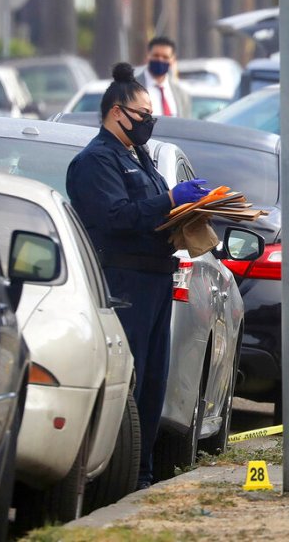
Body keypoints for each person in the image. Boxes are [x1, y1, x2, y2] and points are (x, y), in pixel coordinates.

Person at [66, 63, 210, 489]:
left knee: (151, 386)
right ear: (116, 112)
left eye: (152, 115)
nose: (149, 122)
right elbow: (115, 218)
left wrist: (191, 209)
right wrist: (168, 199)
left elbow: (154, 211)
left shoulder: (139, 156)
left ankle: (140, 474)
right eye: (142, 114)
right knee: (129, 382)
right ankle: (115, 478)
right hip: (125, 283)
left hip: (157, 279)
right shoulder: (95, 161)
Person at [137, 35, 192, 118]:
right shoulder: (131, 88)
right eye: (156, 55)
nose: (160, 60)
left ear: (172, 60)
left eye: (165, 57)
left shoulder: (182, 95)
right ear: (148, 56)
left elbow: (186, 125)